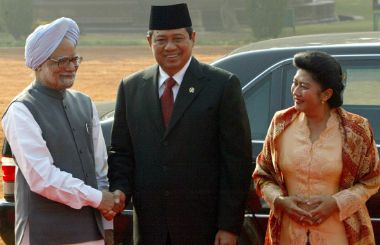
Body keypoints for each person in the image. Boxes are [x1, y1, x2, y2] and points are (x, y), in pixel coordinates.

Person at [107, 3, 252, 245]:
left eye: (178, 38)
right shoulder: (131, 87)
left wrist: (229, 226)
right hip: (150, 228)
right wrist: (120, 189)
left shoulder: (221, 85)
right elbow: (122, 151)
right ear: (149, 41)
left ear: (192, 38)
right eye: (161, 40)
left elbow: (236, 162)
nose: (170, 47)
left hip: (203, 228)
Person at [2, 17, 116, 245]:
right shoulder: (21, 110)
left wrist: (108, 224)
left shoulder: (85, 103)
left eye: (74, 59)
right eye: (62, 60)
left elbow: (100, 169)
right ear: (39, 63)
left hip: (92, 232)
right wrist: (98, 198)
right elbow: (42, 177)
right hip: (44, 233)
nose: (71, 67)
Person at [253, 51, 380, 244]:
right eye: (294, 83)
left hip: (339, 236)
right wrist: (280, 201)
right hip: (289, 235)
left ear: (326, 94)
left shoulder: (356, 130)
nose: (295, 91)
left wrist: (336, 203)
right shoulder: (281, 123)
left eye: (303, 86)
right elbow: (262, 175)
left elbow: (372, 180)